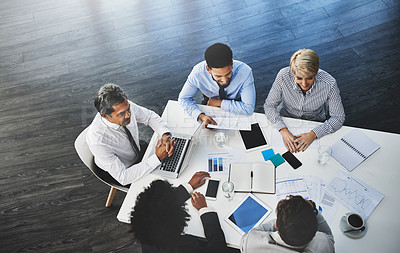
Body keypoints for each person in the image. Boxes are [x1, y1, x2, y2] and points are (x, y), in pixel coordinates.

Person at [86, 83, 175, 186]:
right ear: (105, 116)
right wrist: (157, 158)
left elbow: (149, 117)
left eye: (128, 109)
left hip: (137, 151)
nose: (129, 115)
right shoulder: (97, 141)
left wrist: (165, 135)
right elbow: (124, 177)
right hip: (124, 170)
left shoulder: (123, 106)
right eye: (121, 114)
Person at [264, 49, 345, 153]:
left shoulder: (329, 83)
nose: (304, 83)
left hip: (314, 123)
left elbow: (338, 118)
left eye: (309, 78)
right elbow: (269, 106)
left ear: (315, 73)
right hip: (287, 120)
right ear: (293, 73)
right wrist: (283, 129)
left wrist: (313, 134)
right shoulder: (283, 76)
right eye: (299, 78)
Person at [130, 171, 229, 253]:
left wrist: (189, 186)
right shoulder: (187, 248)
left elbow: (159, 207)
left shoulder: (145, 230)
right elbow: (218, 248)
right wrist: (204, 210)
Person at [178, 43, 256, 127]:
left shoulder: (245, 72)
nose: (224, 80)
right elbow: (184, 99)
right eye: (218, 76)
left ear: (232, 64)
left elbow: (248, 108)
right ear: (208, 69)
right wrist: (200, 115)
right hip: (209, 101)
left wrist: (219, 102)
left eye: (228, 74)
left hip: (236, 103)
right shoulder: (197, 73)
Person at [241, 195, 335, 253]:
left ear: (276, 224)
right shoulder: (323, 245)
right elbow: (328, 236)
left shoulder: (251, 242)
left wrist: (287, 219)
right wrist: (313, 209)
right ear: (315, 230)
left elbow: (249, 235)